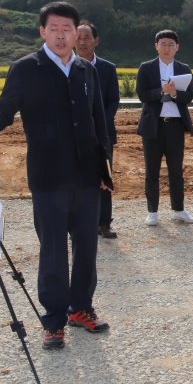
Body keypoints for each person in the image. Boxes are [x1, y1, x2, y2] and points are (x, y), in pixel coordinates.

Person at [0, 1, 111, 349]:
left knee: (87, 247)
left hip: (86, 177)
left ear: (78, 34)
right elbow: (3, 109)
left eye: (68, 30)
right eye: (55, 29)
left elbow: (98, 122)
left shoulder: (85, 70)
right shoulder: (26, 68)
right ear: (42, 31)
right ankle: (54, 319)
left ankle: (81, 309)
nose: (62, 35)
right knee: (53, 250)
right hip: (48, 177)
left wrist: (103, 168)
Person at [136, 29, 193, 225]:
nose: (167, 48)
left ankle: (178, 209)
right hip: (153, 125)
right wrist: (162, 91)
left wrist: (175, 94)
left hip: (175, 126)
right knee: (151, 170)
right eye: (163, 44)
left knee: (176, 170)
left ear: (177, 47)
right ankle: (152, 211)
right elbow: (142, 95)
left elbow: (189, 96)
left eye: (171, 45)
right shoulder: (146, 68)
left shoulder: (183, 68)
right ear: (156, 46)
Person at [75, 20, 120, 239]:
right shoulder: (65, 66)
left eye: (87, 37)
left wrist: (97, 124)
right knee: (76, 179)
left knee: (104, 177)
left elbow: (113, 101)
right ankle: (80, 224)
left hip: (102, 135)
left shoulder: (107, 68)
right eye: (79, 37)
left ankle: (104, 223)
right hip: (73, 135)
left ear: (96, 41)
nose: (82, 42)